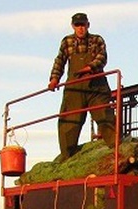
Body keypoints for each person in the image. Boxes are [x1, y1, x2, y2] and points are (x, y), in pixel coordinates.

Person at [48, 12, 117, 160]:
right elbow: (59, 61)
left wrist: (90, 67)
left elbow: (102, 57)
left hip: (96, 87)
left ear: (88, 25)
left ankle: (117, 151)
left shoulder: (97, 40)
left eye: (83, 25)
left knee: (105, 117)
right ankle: (67, 158)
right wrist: (54, 79)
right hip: (75, 88)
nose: (80, 28)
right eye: (77, 25)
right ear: (73, 26)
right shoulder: (67, 42)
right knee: (69, 122)